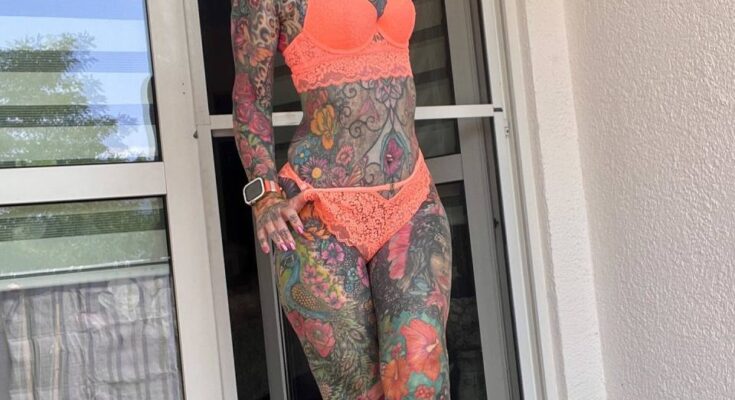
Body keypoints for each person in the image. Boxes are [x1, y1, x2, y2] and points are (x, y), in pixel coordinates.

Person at [230, 0, 453, 398]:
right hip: (319, 211)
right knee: (358, 390)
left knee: (421, 377)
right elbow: (250, 99)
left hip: (411, 197)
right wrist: (264, 195)